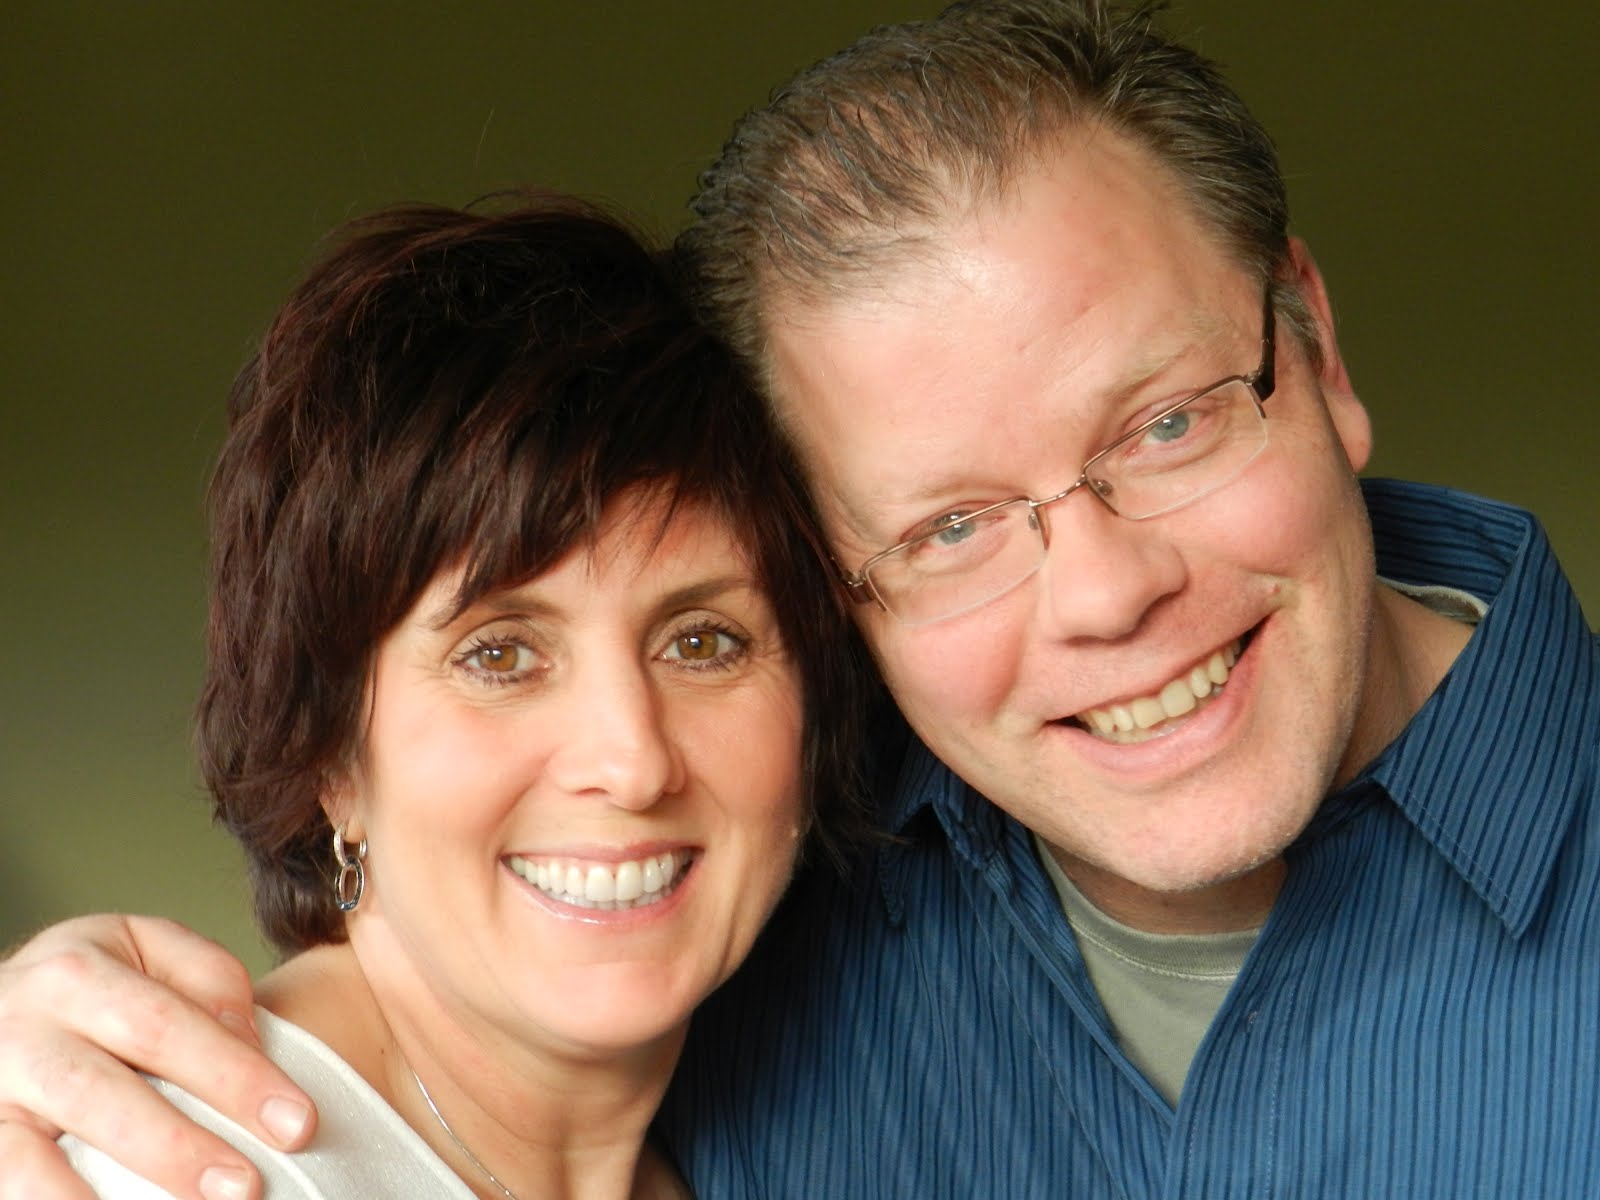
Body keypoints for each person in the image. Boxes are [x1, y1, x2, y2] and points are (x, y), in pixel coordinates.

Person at [4, 2, 1599, 1196]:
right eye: (950, 525)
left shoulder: (725, 917)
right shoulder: (748, 908)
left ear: (1313, 347)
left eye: (1166, 426)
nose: (1107, 594)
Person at [3, 191, 872, 1199]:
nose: (631, 761)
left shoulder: (752, 1143)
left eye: (702, 642)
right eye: (500, 656)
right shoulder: (186, 1173)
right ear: (329, 752)